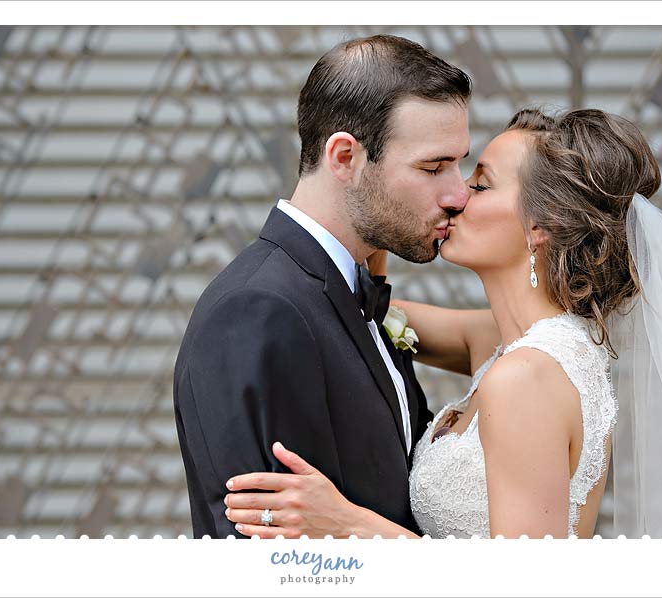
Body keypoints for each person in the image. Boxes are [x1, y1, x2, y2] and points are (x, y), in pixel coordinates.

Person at [223, 108, 662, 539]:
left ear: (542, 227)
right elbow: (365, 308)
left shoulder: (527, 379)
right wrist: (376, 207)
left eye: (481, 183)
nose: (456, 197)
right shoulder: (506, 343)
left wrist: (348, 524)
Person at [173, 34, 474, 538]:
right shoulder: (259, 310)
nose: (458, 193)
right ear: (344, 157)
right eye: (433, 167)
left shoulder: (353, 291)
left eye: (460, 163)